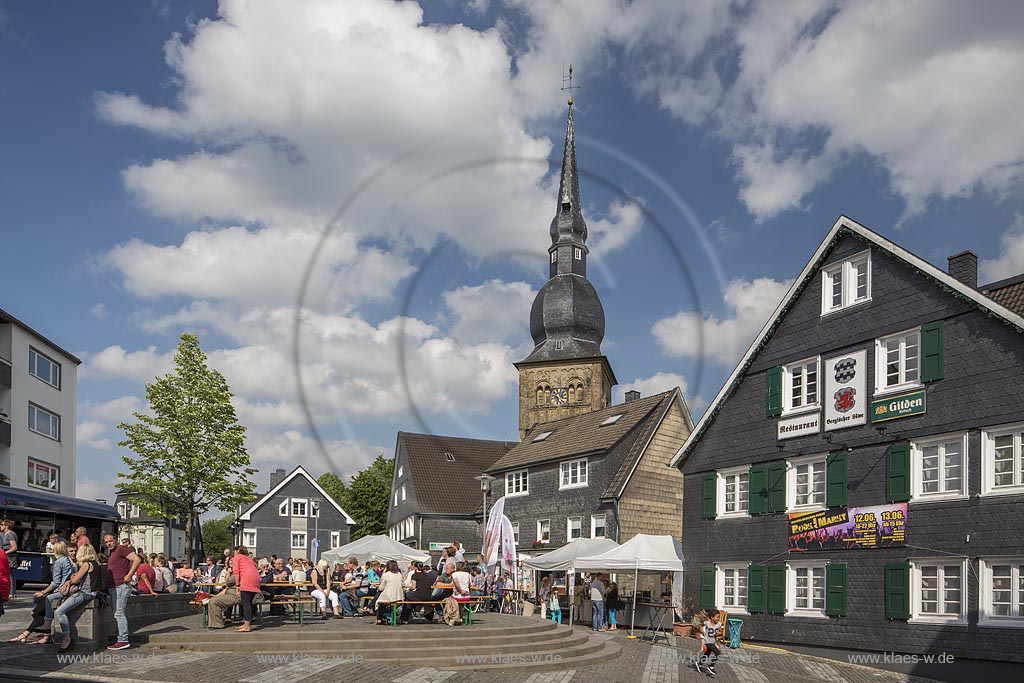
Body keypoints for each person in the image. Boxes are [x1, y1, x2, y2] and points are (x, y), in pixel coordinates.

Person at [50, 543, 101, 653]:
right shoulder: (95, 563)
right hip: (92, 593)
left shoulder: (86, 564)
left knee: (59, 611)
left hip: (85, 593)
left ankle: (66, 637)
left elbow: (75, 579)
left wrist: (70, 581)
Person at [27, 541, 75, 636]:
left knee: (44, 602)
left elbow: (56, 583)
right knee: (38, 609)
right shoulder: (67, 560)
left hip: (61, 590)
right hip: (65, 588)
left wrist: (43, 592)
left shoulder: (59, 562)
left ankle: (47, 625)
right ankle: (38, 633)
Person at [103, 533, 141, 650]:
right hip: (114, 586)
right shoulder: (113, 553)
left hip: (121, 585)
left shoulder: (121, 549)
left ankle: (123, 639)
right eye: (106, 542)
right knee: (117, 613)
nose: (109, 543)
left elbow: (137, 559)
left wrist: (129, 574)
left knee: (119, 613)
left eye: (110, 541)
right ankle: (121, 638)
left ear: (116, 540)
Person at [231, 545, 261, 632]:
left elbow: (236, 572)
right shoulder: (249, 559)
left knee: (246, 603)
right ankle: (245, 623)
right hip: (255, 580)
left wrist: (237, 585)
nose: (234, 553)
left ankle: (247, 625)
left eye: (235, 551)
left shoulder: (238, 558)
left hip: (246, 580)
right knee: (249, 603)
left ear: (238, 551)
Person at [374, 560, 404, 625]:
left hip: (389, 597)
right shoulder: (399, 574)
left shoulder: (386, 575)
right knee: (380, 598)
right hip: (399, 597)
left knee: (380, 601)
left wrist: (384, 572)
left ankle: (378, 618)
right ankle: (370, 607)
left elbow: (381, 586)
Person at [697, 608, 723, 676]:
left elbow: (721, 632)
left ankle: (699, 664)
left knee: (707, 654)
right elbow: (700, 625)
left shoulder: (719, 624)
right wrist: (701, 631)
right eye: (717, 617)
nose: (718, 618)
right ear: (712, 617)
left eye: (719, 617)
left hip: (713, 641)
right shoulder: (707, 623)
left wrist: (718, 633)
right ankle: (711, 666)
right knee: (717, 653)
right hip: (708, 642)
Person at [0, 519, 18, 599]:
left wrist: (4, 553)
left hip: (10, 557)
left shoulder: (10, 534)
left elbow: (14, 547)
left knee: (10, 574)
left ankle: (12, 592)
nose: (0, 526)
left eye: (2, 525)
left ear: (6, 526)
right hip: (6, 556)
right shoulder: (4, 534)